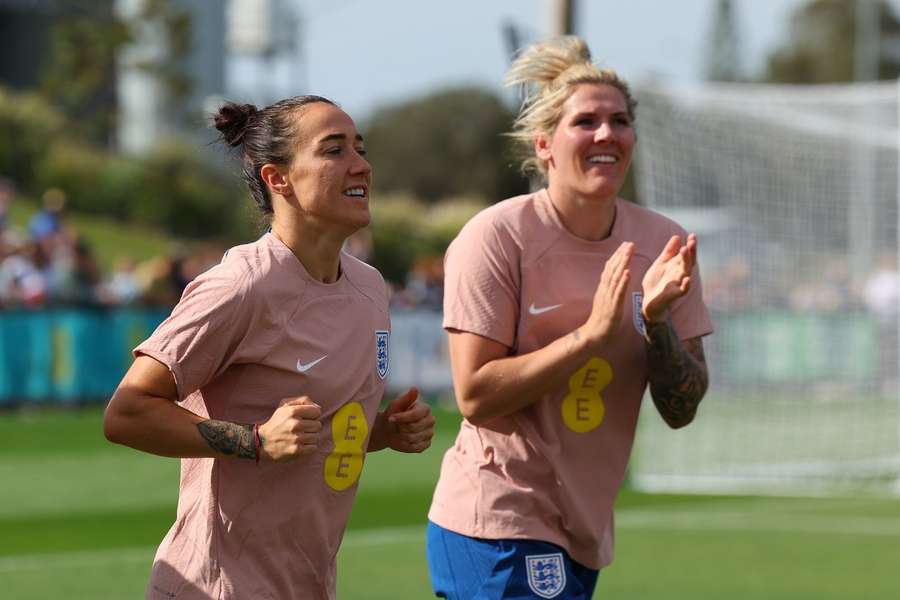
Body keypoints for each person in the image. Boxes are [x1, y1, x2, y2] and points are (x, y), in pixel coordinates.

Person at [103, 95, 436, 600]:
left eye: (360, 149)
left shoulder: (370, 289)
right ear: (277, 179)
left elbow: (310, 435)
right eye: (334, 150)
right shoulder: (240, 286)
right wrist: (254, 441)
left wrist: (380, 431)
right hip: (217, 588)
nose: (361, 165)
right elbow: (127, 412)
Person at [426, 37, 713, 599]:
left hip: (585, 527)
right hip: (499, 518)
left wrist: (655, 324)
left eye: (620, 121)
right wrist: (589, 338)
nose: (606, 133)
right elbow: (475, 394)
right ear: (545, 146)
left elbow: (682, 408)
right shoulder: (497, 237)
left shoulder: (666, 244)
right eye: (586, 122)